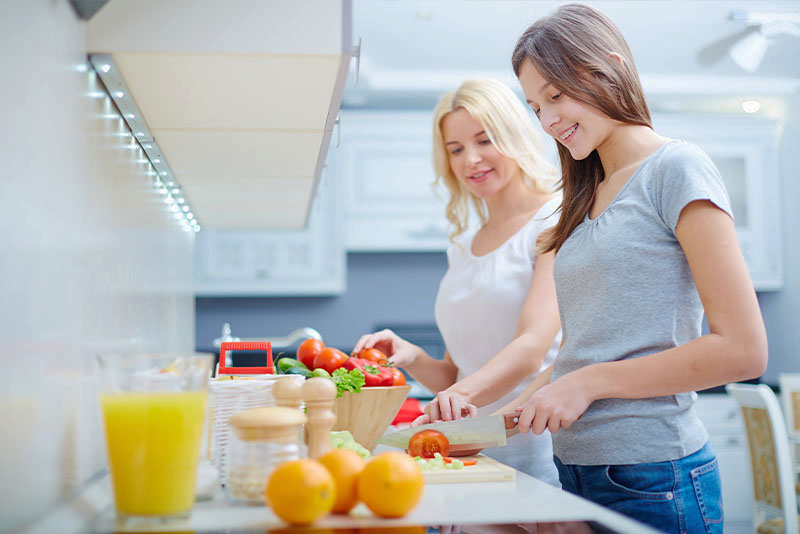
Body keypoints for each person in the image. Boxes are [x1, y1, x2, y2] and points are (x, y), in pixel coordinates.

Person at [507, 4, 768, 533]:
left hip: (655, 475)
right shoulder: (585, 196)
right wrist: (491, 419)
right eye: (535, 106)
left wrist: (588, 383)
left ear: (611, 66)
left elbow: (744, 350)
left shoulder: (675, 169)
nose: (548, 120)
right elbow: (585, 351)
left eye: (556, 95)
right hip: (578, 469)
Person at [354, 78, 563, 484]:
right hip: (467, 451)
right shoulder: (464, 245)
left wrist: (461, 398)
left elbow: (532, 346)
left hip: (530, 446)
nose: (471, 160)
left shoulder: (554, 220)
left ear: (514, 136)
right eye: (456, 149)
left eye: (485, 141)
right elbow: (456, 375)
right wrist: (412, 356)